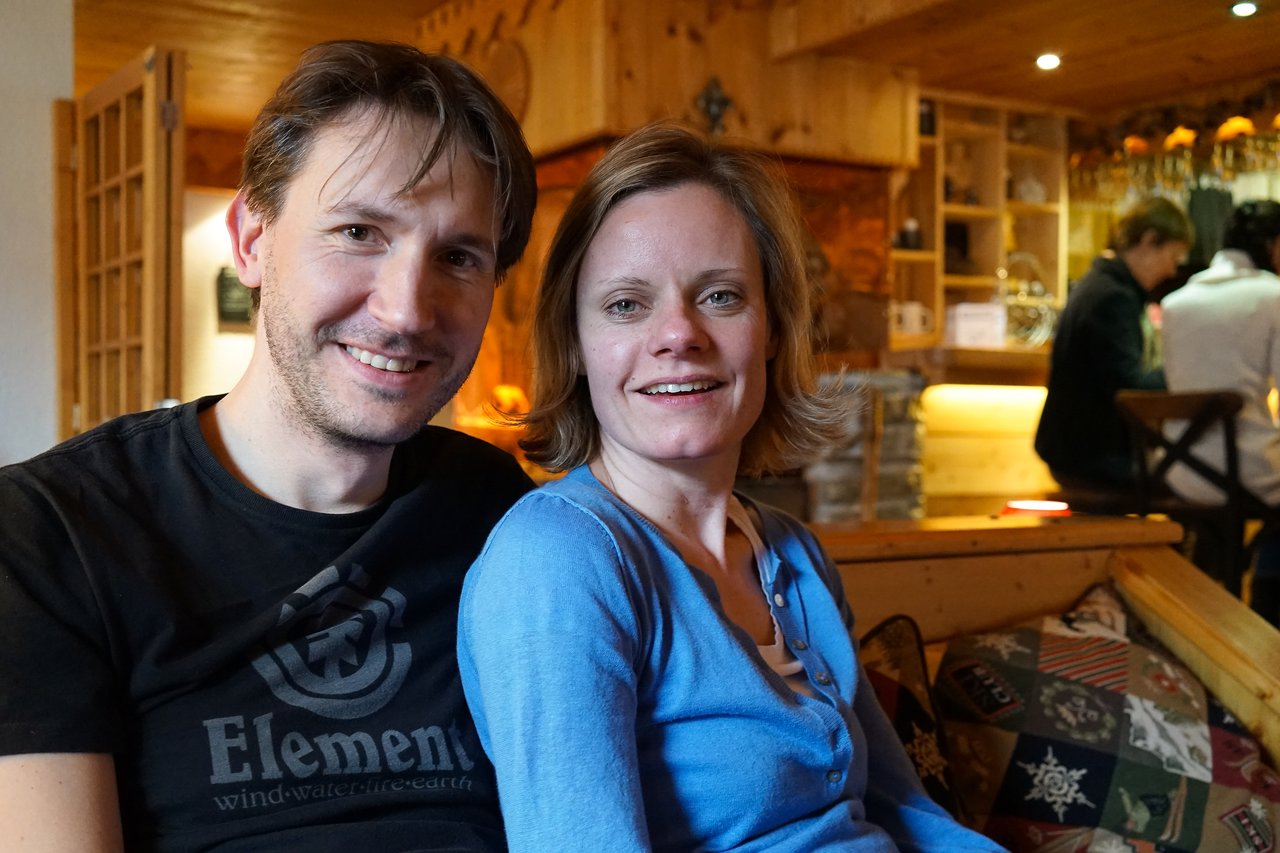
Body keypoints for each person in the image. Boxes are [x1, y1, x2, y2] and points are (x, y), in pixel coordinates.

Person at [0, 40, 537, 851]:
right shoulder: (50, 532)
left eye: (459, 257)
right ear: (252, 239)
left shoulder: (499, 510)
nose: (405, 311)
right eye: (359, 230)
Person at [457, 121, 1004, 851]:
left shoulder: (795, 555)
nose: (678, 333)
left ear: (774, 328)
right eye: (626, 304)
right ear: (577, 345)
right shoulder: (556, 560)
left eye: (719, 295)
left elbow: (907, 812)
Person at [1161, 199, 1280, 625]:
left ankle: (1215, 605)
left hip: (1178, 472)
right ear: (1271, 245)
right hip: (1244, 474)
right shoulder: (1273, 296)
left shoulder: (1177, 302)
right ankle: (1268, 615)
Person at [1036, 195, 1192, 489]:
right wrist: (1186, 371)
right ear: (1148, 241)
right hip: (1094, 457)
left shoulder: (1099, 284)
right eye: (1172, 257)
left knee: (1194, 481)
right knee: (1200, 486)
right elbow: (1130, 387)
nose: (1172, 271)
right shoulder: (1113, 297)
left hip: (1074, 452)